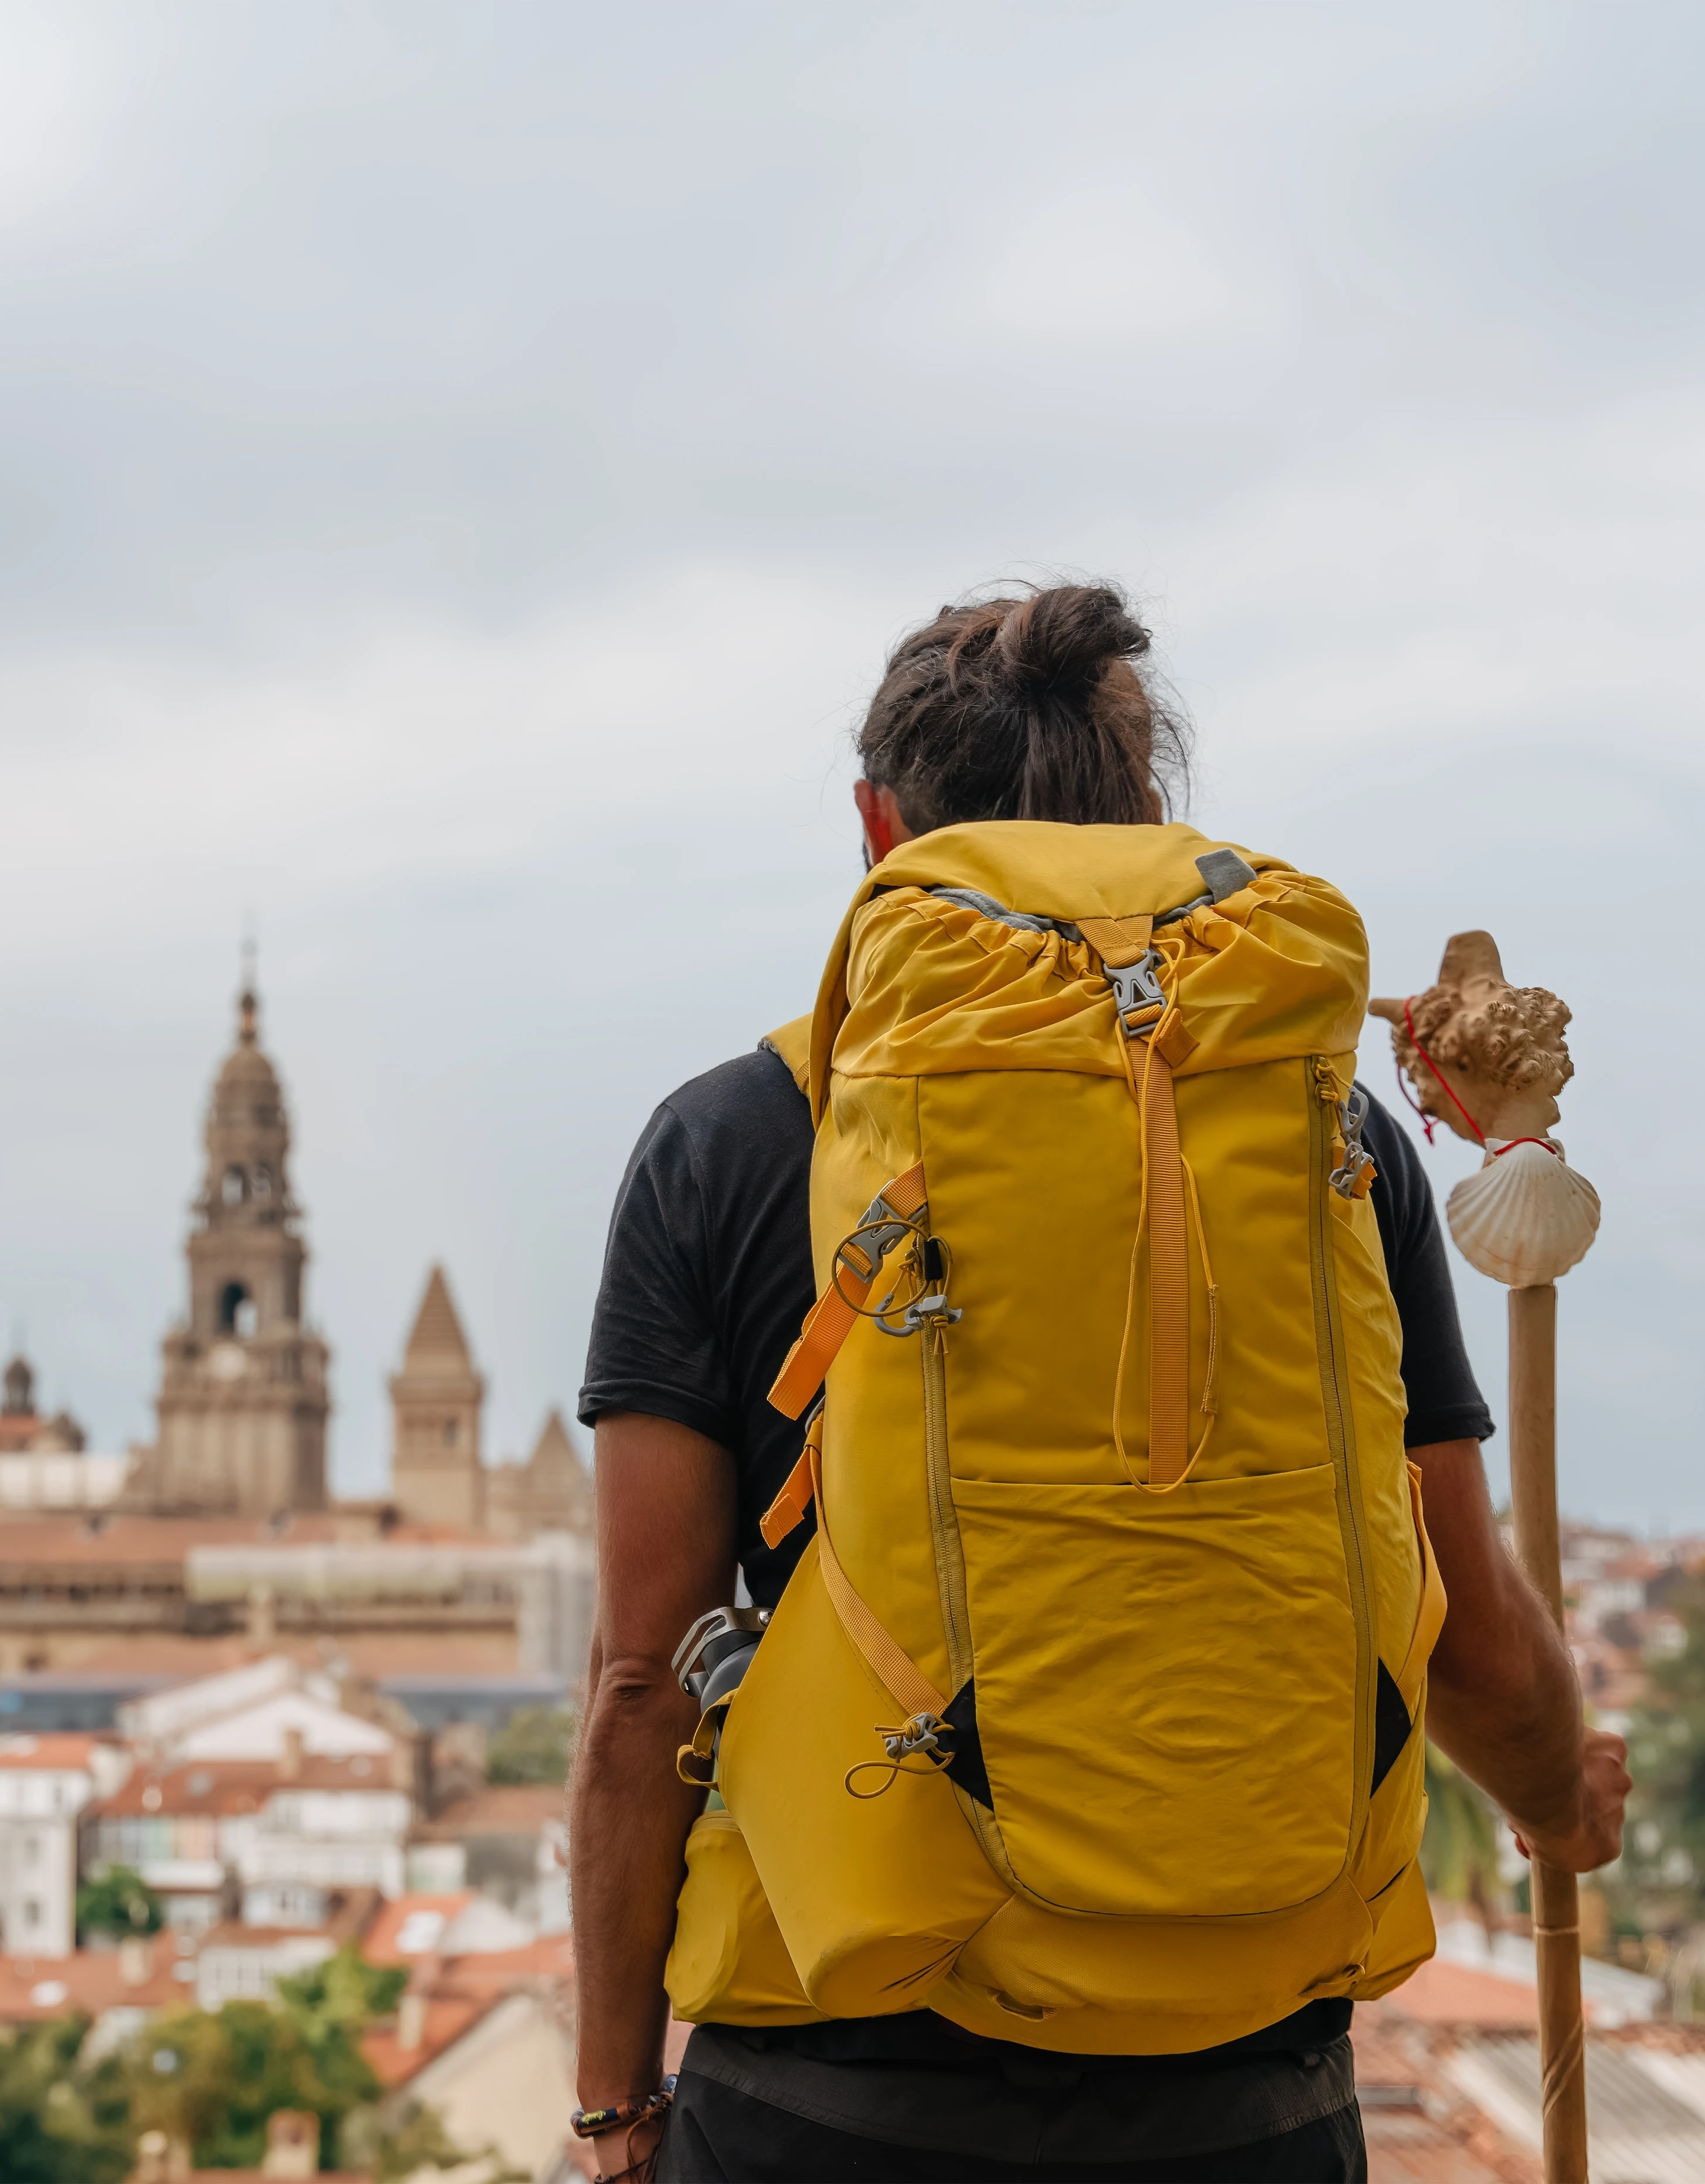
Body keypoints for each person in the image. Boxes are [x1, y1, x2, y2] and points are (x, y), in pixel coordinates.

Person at [565, 581, 1631, 2183]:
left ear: (879, 829)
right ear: (1150, 815)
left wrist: (614, 2101)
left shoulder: (729, 1142)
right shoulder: (1326, 1132)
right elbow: (1462, 1625)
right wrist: (1564, 1791)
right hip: (1242, 2098)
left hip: (834, 2096)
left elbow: (642, 1686)